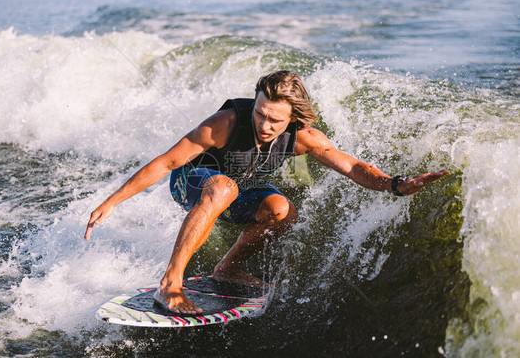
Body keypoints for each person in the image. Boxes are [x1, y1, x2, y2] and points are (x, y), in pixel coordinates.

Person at [84, 70, 448, 315]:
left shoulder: (303, 137)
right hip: (192, 180)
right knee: (222, 187)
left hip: (237, 186)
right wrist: (112, 202)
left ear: (293, 118)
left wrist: (396, 185)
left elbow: (351, 167)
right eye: (260, 113)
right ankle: (171, 283)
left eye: (275, 119)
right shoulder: (225, 124)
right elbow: (166, 163)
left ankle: (228, 268)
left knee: (282, 209)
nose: (264, 124)